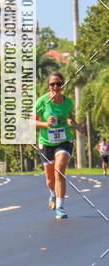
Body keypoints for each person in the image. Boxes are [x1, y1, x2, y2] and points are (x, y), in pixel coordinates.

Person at [34, 72, 85, 219]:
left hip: (64, 141)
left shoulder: (67, 102)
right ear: (49, 86)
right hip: (46, 143)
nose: (55, 87)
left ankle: (60, 207)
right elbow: (32, 122)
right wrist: (45, 123)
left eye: (58, 84)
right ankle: (52, 194)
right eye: (52, 84)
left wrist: (76, 126)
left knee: (60, 170)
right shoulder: (42, 101)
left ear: (62, 85)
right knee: (50, 179)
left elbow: (69, 119)